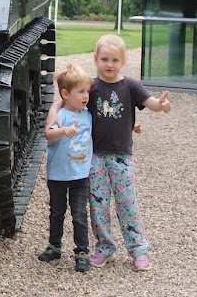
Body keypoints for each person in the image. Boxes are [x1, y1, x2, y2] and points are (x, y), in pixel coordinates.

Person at [47, 34, 171, 271]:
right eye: (104, 59)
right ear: (95, 59)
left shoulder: (131, 85)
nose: (109, 64)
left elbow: (151, 103)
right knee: (98, 204)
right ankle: (105, 246)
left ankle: (138, 248)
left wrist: (162, 105)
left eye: (114, 60)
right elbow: (65, 103)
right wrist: (53, 111)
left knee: (127, 202)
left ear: (122, 61)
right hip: (94, 156)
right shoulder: (91, 88)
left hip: (122, 156)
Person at [38, 63, 93, 273]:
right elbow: (48, 134)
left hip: (80, 175)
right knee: (57, 212)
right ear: (65, 94)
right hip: (58, 176)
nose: (86, 95)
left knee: (79, 214)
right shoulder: (60, 116)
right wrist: (64, 131)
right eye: (80, 91)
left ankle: (81, 251)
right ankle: (54, 246)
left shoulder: (87, 115)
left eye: (87, 91)